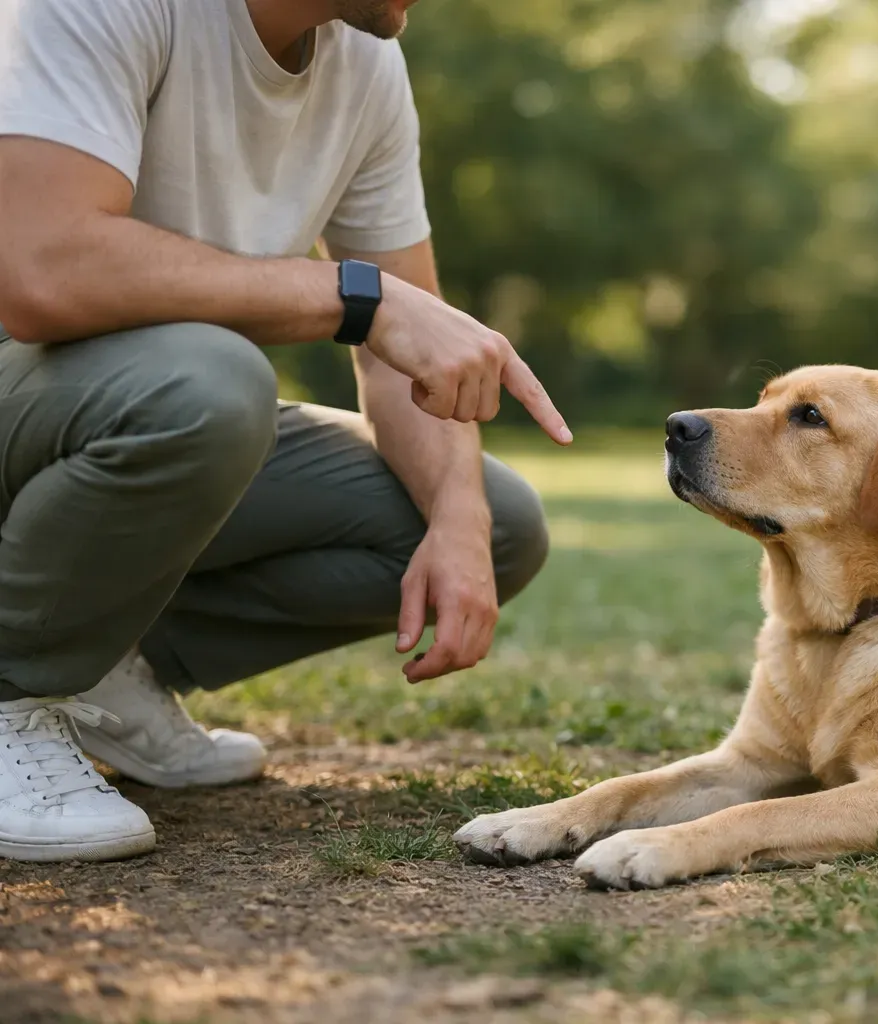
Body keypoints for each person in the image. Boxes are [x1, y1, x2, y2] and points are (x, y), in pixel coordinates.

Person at [0, 0, 570, 863]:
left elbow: (401, 350)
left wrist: (458, 518)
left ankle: (99, 666)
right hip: (43, 382)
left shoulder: (366, 66)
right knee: (213, 386)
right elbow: (43, 274)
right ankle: (11, 681)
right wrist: (352, 298)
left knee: (494, 521)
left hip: (129, 411)